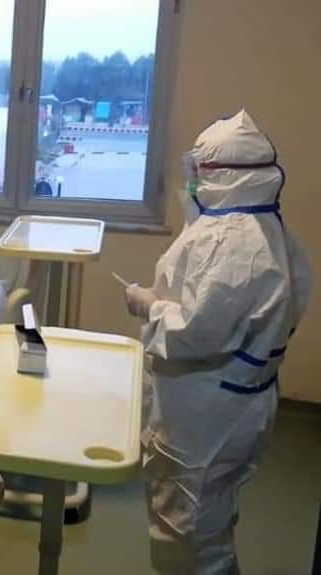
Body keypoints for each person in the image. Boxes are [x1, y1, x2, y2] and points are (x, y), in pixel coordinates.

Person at [124, 110, 312, 574]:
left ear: (220, 174)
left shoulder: (227, 239)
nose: (191, 181)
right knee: (208, 522)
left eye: (197, 171)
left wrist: (148, 305)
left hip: (204, 413)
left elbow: (195, 332)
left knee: (189, 537)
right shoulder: (266, 226)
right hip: (231, 402)